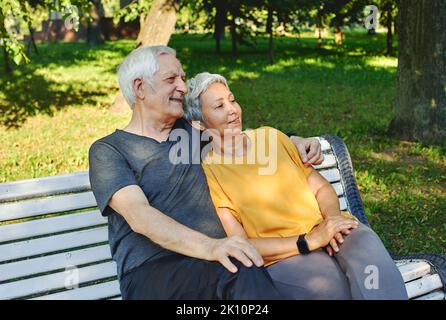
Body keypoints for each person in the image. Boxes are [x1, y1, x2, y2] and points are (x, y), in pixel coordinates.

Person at [88, 46, 323, 300]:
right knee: (241, 265)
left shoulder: (191, 133)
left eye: (182, 77)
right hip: (153, 271)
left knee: (242, 264)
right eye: (171, 79)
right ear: (140, 87)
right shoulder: (109, 150)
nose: (183, 87)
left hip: (216, 264)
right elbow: (140, 216)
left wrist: (294, 140)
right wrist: (211, 246)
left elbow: (242, 136)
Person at [183, 72, 409, 300]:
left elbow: (321, 188)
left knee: (375, 273)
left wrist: (331, 222)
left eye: (232, 100)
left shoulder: (271, 137)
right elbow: (243, 244)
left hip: (330, 228)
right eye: (219, 106)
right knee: (330, 290)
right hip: (287, 254)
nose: (232, 109)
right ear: (199, 123)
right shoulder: (210, 173)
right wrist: (308, 242)